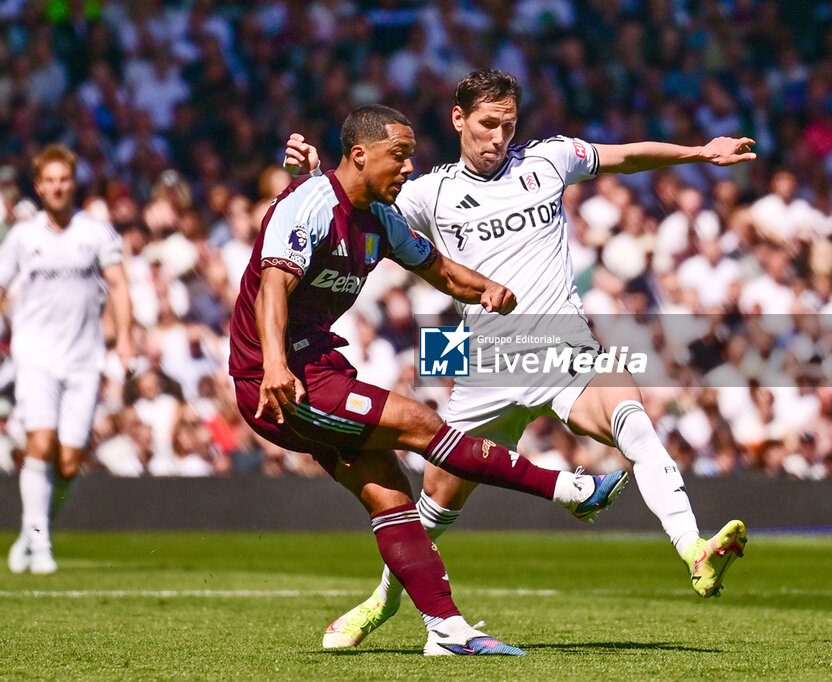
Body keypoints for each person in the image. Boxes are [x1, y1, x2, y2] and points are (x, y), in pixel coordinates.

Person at [285, 69, 754, 649]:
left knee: (630, 414)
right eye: (487, 124)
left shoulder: (550, 159)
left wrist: (700, 153)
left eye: (508, 125)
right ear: (458, 120)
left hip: (563, 348)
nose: (498, 137)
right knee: (434, 504)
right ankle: (383, 601)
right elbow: (358, 203)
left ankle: (693, 547)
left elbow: (626, 155)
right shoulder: (427, 193)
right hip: (486, 363)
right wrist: (310, 180)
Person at [231, 104, 627, 657]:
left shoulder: (383, 218)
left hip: (316, 362)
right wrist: (273, 364)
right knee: (421, 423)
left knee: (391, 494)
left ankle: (446, 631)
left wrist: (486, 288)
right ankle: (569, 489)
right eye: (400, 154)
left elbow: (439, 270)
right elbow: (274, 285)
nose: (410, 167)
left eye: (413, 155)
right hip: (277, 377)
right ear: (360, 154)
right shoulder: (312, 202)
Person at [1, 144, 134, 574]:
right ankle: (40, 545)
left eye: (64, 179)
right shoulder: (23, 237)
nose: (58, 187)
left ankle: (33, 530)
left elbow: (118, 283)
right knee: (40, 442)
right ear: (39, 186)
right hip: (36, 356)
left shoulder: (95, 232)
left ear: (71, 184)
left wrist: (126, 339)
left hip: (83, 358)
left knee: (70, 461)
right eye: (50, 180)